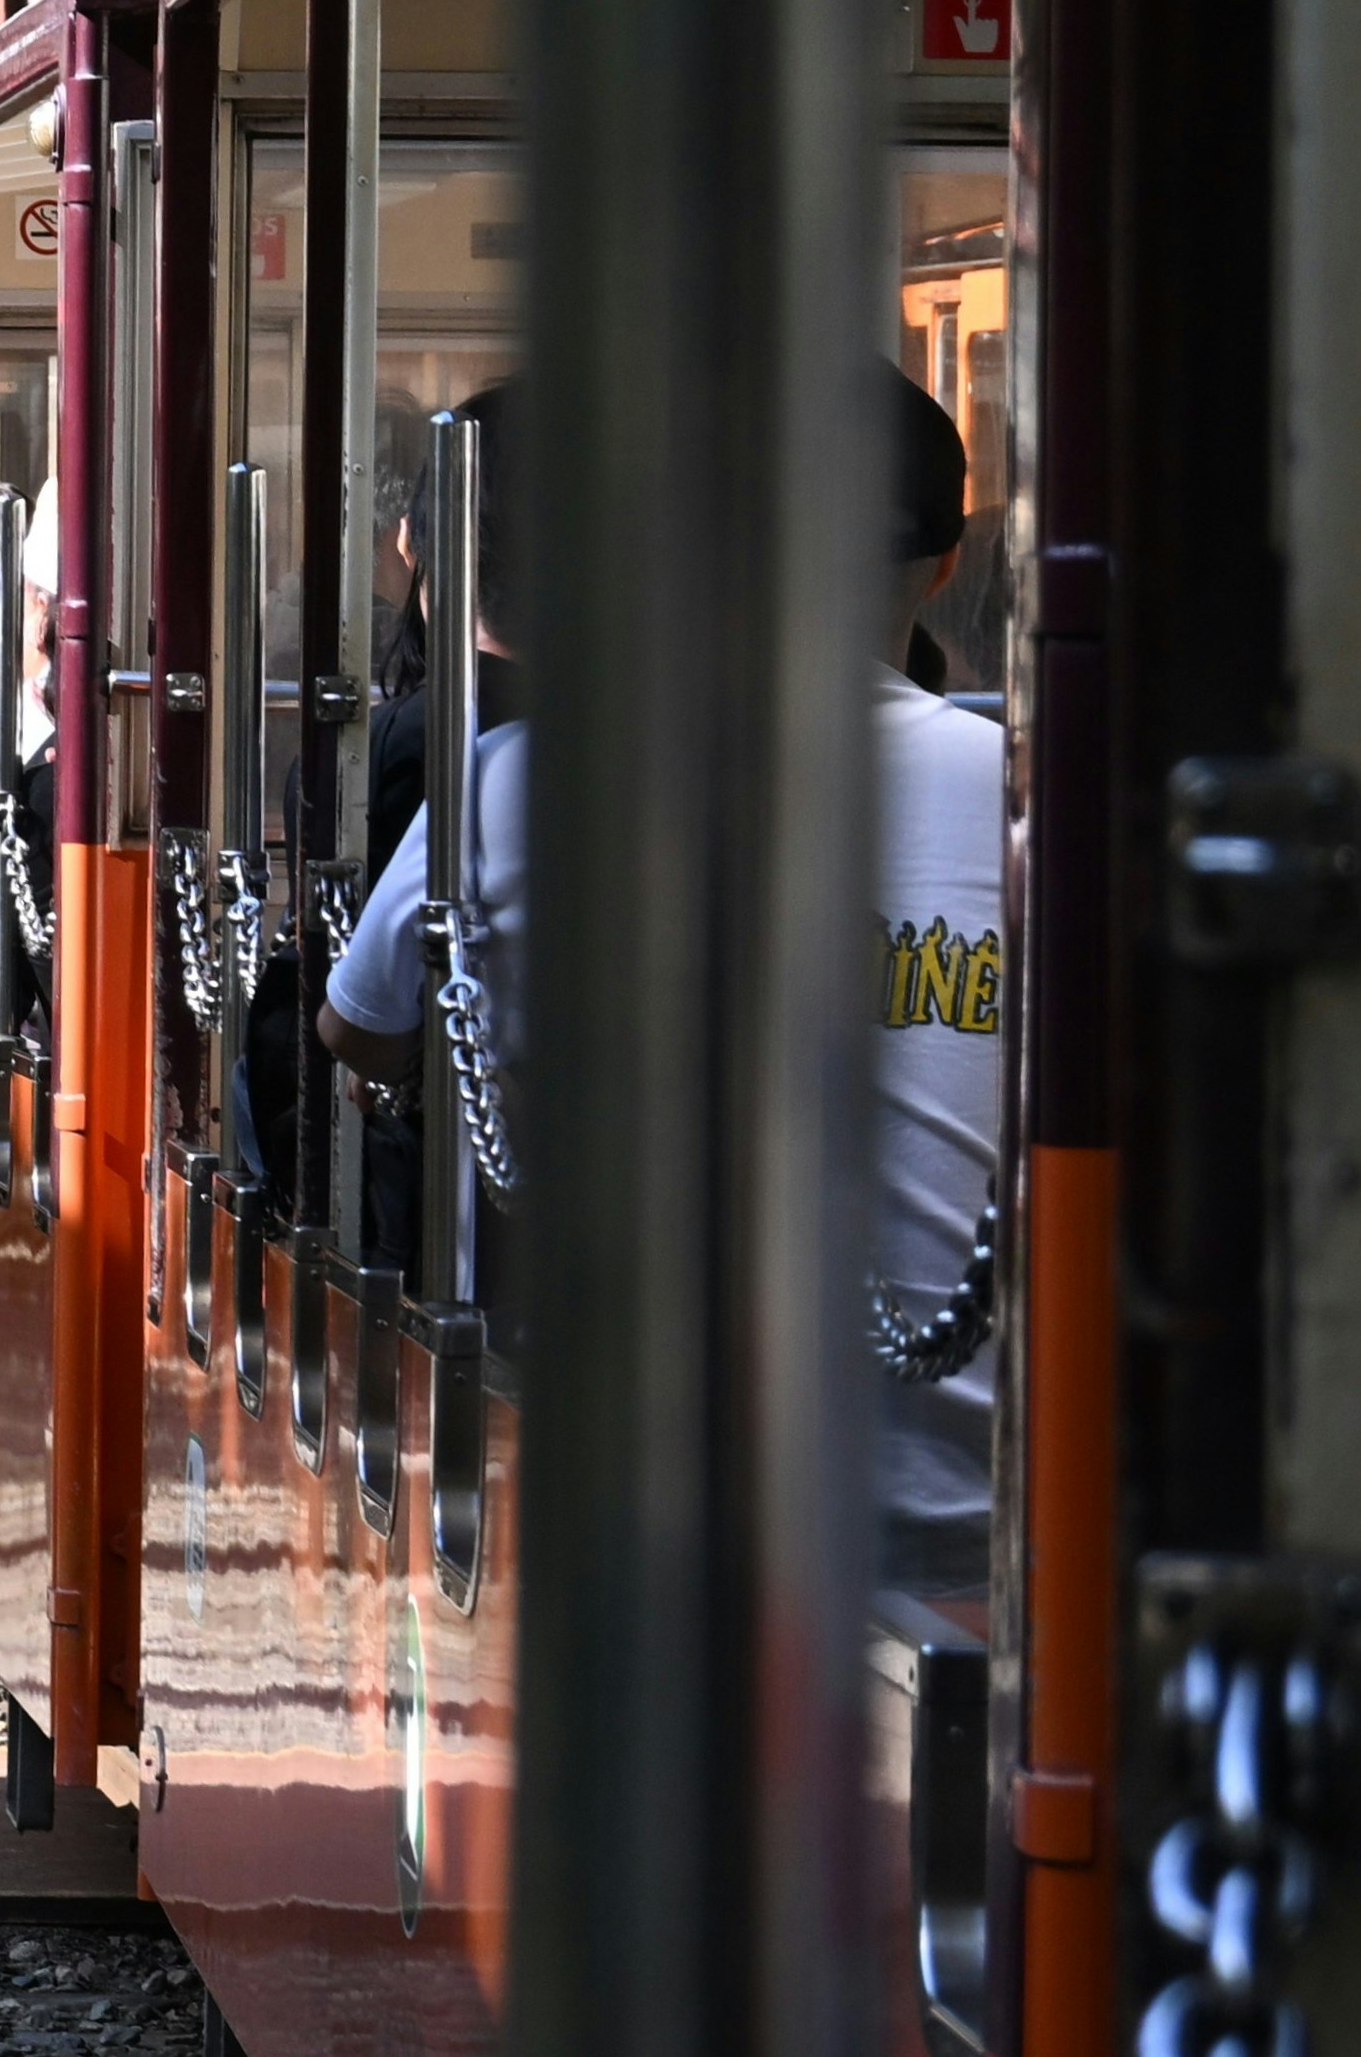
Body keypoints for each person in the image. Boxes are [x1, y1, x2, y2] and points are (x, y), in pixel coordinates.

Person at [315, 373, 1003, 1581]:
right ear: (944, 569)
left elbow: (357, 1029)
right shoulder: (1027, 805)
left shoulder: (524, 779)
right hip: (985, 1523)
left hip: (643, 1539)